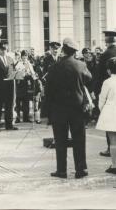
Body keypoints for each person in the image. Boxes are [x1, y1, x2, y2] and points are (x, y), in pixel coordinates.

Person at [45, 37, 92, 179]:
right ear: (75, 52)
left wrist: (48, 112)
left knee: (60, 140)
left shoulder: (54, 67)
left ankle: (61, 170)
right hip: (77, 108)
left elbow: (48, 91)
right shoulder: (81, 65)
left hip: (59, 109)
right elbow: (89, 79)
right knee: (79, 139)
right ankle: (81, 169)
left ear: (63, 50)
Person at [15, 50, 36, 123]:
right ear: (21, 56)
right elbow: (16, 72)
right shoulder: (19, 63)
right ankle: (17, 118)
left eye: (26, 56)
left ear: (27, 56)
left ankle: (26, 118)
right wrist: (21, 72)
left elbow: (33, 73)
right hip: (19, 84)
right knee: (18, 102)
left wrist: (30, 73)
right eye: (23, 56)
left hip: (26, 84)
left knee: (26, 102)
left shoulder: (29, 64)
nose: (24, 57)